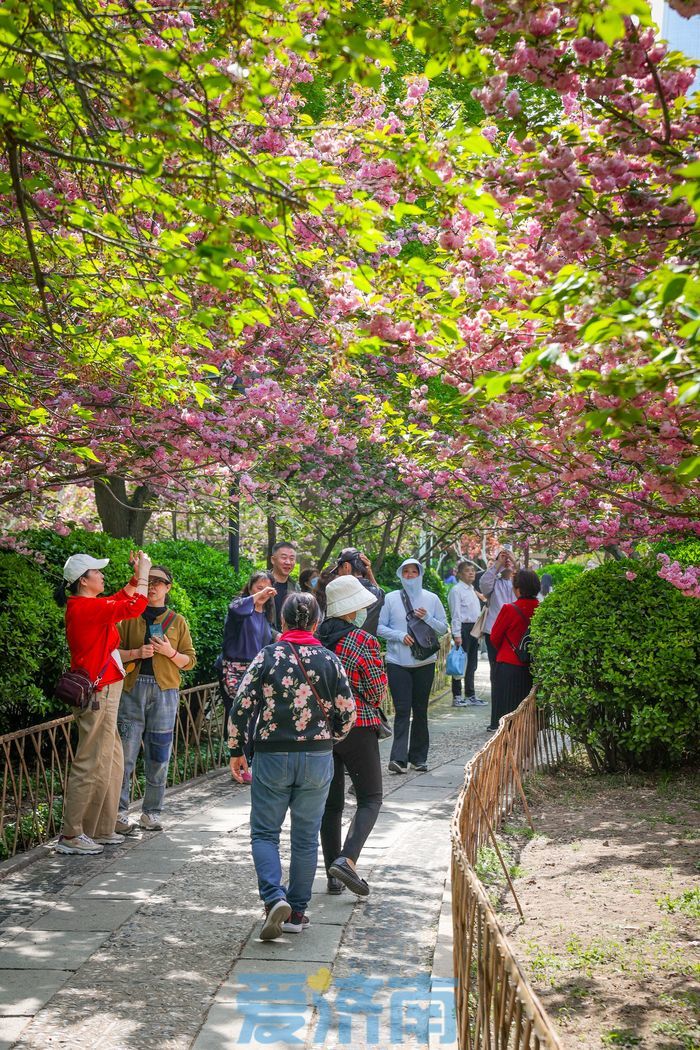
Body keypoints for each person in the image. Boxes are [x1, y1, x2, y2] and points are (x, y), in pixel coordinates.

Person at [228, 593, 356, 940]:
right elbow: (348, 712)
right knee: (305, 837)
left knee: (265, 833)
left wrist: (236, 749)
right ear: (316, 623)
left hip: (272, 755)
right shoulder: (330, 659)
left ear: (282, 622)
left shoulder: (268, 656)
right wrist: (329, 738)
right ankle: (297, 913)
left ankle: (274, 898)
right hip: (317, 756)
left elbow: (241, 705)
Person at [53, 551, 151, 855]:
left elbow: (120, 599)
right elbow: (134, 606)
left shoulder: (89, 605)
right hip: (98, 693)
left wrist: (135, 578)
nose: (102, 575)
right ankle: (71, 834)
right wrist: (144, 575)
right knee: (91, 760)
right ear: (84, 581)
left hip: (106, 689)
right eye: (97, 572)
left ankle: (101, 827)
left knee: (110, 759)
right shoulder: (85, 607)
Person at [318, 576, 387, 897]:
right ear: (352, 609)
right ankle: (347, 859)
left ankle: (333, 876)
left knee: (330, 805)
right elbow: (376, 691)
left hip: (321, 730)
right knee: (370, 798)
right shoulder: (362, 640)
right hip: (358, 726)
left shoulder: (315, 639)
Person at [116, 566, 197, 832]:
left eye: (159, 582)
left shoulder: (177, 621)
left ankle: (151, 812)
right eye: (148, 581)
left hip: (165, 693)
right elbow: (113, 652)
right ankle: (119, 813)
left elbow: (189, 661)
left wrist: (170, 652)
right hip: (132, 689)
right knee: (125, 755)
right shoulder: (129, 617)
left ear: (168, 587)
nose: (153, 587)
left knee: (159, 755)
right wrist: (136, 653)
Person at [377, 558, 448, 774]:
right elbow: (379, 627)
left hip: (425, 662)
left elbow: (443, 628)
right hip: (397, 662)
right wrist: (399, 636)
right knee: (401, 710)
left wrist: (428, 618)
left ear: (420, 574)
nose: (409, 575)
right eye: (405, 571)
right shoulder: (391, 598)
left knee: (420, 710)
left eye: (413, 571)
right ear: (400, 574)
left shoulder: (432, 598)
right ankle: (398, 759)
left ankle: (419, 758)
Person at [218, 571, 277, 784]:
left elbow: (269, 636)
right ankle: (240, 763)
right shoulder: (241, 608)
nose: (263, 593)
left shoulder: (266, 614)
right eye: (258, 588)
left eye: (267, 589)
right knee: (241, 715)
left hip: (256, 669)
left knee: (256, 717)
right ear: (250, 588)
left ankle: (249, 762)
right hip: (234, 669)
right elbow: (234, 608)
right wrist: (257, 596)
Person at [488, 568, 541, 732]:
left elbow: (494, 637)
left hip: (508, 665)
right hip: (532, 666)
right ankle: (526, 741)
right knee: (527, 711)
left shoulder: (509, 609)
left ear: (517, 588)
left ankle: (507, 741)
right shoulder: (542, 608)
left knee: (507, 710)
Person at [448, 561, 487, 708]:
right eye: (467, 570)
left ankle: (470, 695)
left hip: (473, 629)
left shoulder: (472, 589)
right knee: (459, 663)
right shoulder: (456, 590)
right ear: (459, 574)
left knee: (472, 664)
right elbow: (455, 614)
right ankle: (457, 696)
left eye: (473, 570)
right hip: (463, 629)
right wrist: (457, 634)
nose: (471, 573)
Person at [479, 549, 517, 688]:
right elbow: (484, 585)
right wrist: (497, 564)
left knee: (512, 667)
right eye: (503, 558)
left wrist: (514, 562)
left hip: (514, 633)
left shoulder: (517, 583)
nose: (507, 561)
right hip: (493, 632)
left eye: (509, 558)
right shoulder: (494, 583)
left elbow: (528, 583)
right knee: (495, 666)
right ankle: (497, 693)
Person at [332, 548, 385, 636]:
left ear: (346, 567)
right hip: (368, 643)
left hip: (343, 643)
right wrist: (369, 572)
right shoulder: (378, 594)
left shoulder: (339, 591)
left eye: (338, 571)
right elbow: (379, 590)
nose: (338, 575)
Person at [269, 541, 300, 630]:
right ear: (273, 560)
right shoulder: (261, 584)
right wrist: (276, 635)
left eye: (292, 558)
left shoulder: (295, 587)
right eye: (284, 558)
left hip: (289, 636)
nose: (288, 562)